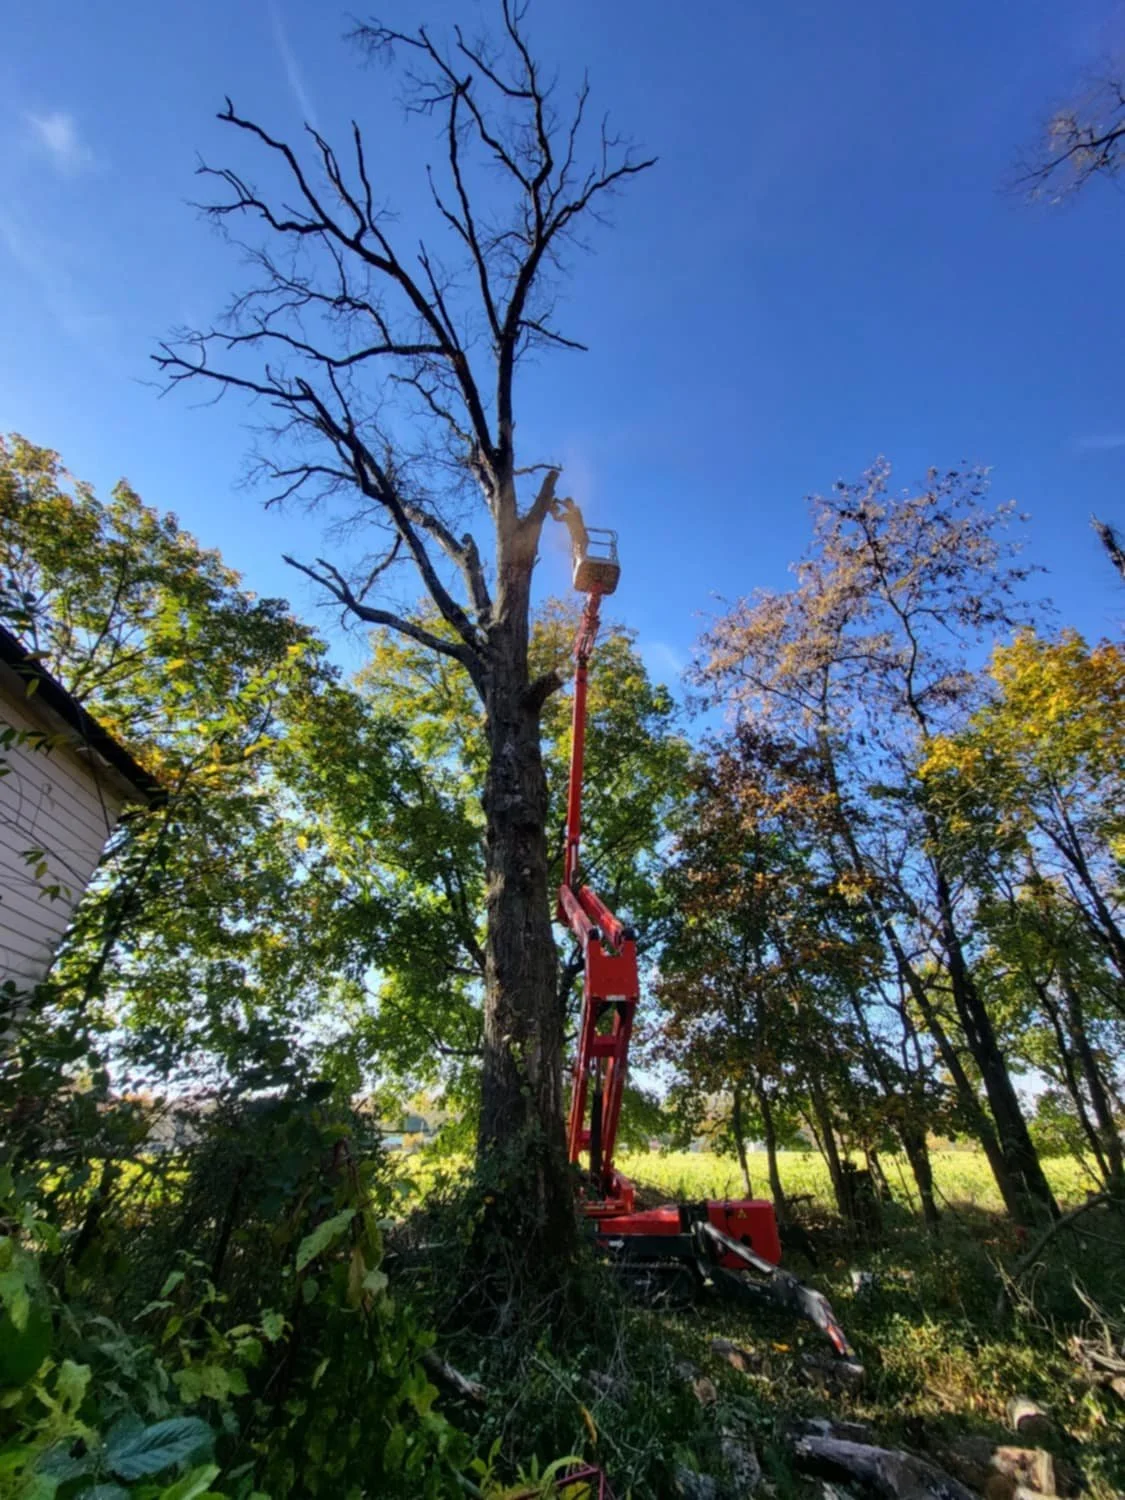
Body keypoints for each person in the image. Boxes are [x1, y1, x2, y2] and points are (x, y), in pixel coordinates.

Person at [550, 496, 588, 562]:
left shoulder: (576, 510)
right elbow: (556, 518)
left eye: (568, 503)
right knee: (575, 556)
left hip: (583, 537)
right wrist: (553, 510)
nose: (567, 505)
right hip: (575, 539)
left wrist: (559, 501)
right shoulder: (566, 515)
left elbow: (569, 505)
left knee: (581, 555)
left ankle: (583, 561)